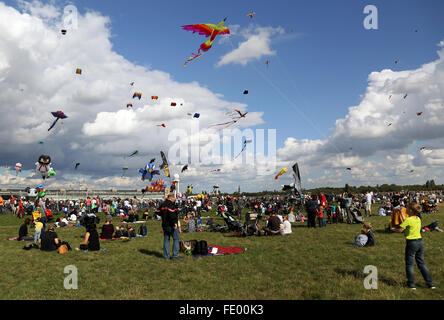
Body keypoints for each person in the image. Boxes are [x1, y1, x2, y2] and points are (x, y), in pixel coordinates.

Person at [392, 203, 435, 290]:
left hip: (411, 243)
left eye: (407, 208)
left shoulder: (408, 220)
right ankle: (430, 284)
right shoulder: (418, 219)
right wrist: (401, 213)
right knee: (421, 263)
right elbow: (407, 221)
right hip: (420, 242)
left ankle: (411, 284)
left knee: (409, 264)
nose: (405, 209)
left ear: (411, 210)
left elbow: (400, 230)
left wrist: (393, 229)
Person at [160, 193, 182, 260]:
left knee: (166, 239)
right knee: (176, 239)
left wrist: (163, 217)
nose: (174, 199)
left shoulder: (163, 204)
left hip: (164, 224)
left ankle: (166, 256)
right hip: (171, 225)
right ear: (171, 198)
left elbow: (157, 211)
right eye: (174, 198)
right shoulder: (171, 204)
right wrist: (174, 223)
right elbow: (172, 214)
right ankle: (175, 255)